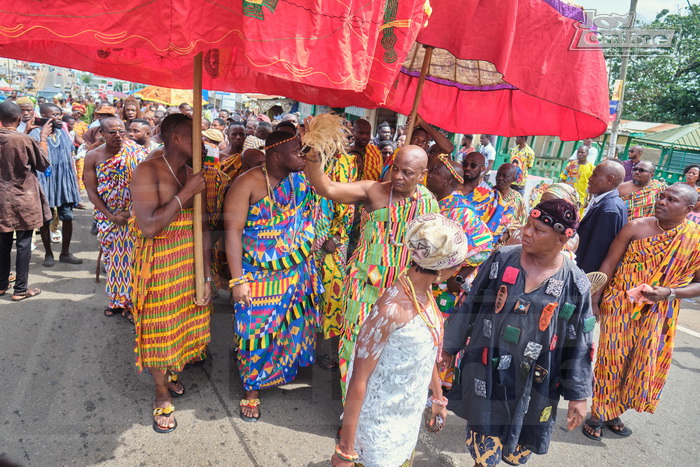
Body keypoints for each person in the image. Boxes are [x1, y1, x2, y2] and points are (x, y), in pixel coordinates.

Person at [443, 199, 594, 467]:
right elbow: (472, 304)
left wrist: (578, 396)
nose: (526, 232)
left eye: (538, 230)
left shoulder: (575, 282)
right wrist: (448, 347)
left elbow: (579, 341)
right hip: (488, 369)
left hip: (536, 381)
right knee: (485, 447)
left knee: (518, 444)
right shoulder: (502, 259)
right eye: (527, 225)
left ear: (562, 238)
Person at [304, 143, 439, 398]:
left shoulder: (429, 204)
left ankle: (375, 408)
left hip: (402, 289)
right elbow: (327, 188)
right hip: (363, 286)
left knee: (391, 349)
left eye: (407, 172)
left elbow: (429, 253)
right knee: (355, 345)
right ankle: (350, 411)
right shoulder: (373, 190)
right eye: (395, 168)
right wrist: (313, 158)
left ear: (423, 174)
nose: (398, 176)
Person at [333, 214, 469, 467]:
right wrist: (345, 450)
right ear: (442, 268)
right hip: (379, 430)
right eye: (460, 266)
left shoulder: (423, 294)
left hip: (406, 420)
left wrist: (437, 397)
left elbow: (427, 351)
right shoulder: (392, 308)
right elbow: (358, 379)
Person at [583, 183, 700, 441]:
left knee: (639, 362)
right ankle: (597, 412)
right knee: (611, 360)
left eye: (671, 199)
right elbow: (610, 262)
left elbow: (698, 284)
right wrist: (595, 299)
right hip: (619, 305)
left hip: (660, 313)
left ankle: (614, 410)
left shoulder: (695, 238)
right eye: (661, 196)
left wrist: (668, 292)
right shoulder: (635, 227)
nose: (662, 201)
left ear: (689, 209)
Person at [225, 131, 322, 422]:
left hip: (296, 270)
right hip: (259, 275)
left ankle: (281, 369)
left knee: (290, 327)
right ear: (276, 155)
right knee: (255, 333)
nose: (302, 156)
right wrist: (237, 280)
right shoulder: (247, 183)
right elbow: (232, 231)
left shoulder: (300, 179)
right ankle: (252, 389)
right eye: (296, 151)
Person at [129, 113, 213, 433]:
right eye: (196, 136)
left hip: (188, 266)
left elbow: (203, 228)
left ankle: (170, 373)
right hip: (159, 266)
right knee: (158, 327)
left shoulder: (194, 173)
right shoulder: (147, 171)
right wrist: (186, 192)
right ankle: (160, 392)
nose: (203, 142)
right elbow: (149, 226)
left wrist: (206, 276)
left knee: (181, 325)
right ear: (176, 138)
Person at [83, 117, 146, 319]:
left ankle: (132, 303)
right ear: (101, 133)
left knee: (133, 261)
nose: (118, 135)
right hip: (107, 217)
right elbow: (92, 191)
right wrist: (110, 215)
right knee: (113, 260)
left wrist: (131, 212)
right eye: (112, 132)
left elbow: (147, 185)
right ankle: (117, 301)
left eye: (122, 131)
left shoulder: (137, 152)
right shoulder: (92, 156)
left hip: (134, 216)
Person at [0, 101, 50, 301]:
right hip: (23, 197)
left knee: (2, 241)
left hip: (2, 198)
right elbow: (43, 164)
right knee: (23, 242)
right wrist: (43, 139)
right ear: (19, 119)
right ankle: (20, 289)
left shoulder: (21, 138)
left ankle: (2, 284)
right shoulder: (24, 140)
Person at [426, 154, 493, 302]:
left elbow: (485, 247)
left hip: (449, 287)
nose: (429, 175)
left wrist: (458, 278)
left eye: (434, 173)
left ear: (447, 182)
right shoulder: (435, 204)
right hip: (431, 279)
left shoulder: (461, 211)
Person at [29, 103, 83, 267]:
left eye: (60, 115)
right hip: (45, 182)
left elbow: (69, 156)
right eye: (54, 115)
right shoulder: (34, 134)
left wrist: (73, 181)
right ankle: (48, 253)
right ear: (44, 115)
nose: (59, 118)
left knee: (68, 217)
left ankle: (65, 252)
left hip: (63, 183)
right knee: (45, 220)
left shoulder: (63, 132)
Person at [575, 160, 627, 273]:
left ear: (610, 180)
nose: (590, 178)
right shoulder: (606, 203)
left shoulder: (609, 210)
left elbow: (596, 254)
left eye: (595, 175)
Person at [460, 151, 513, 242]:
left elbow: (500, 223)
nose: (467, 168)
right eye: (465, 164)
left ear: (483, 168)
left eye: (473, 165)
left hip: (477, 246)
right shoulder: (451, 186)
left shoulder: (491, 196)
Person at [495, 163, 528, 229]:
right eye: (498, 174)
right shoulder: (487, 194)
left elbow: (522, 224)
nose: (500, 178)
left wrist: (507, 234)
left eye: (505, 176)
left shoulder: (517, 199)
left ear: (513, 179)